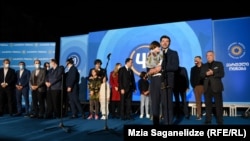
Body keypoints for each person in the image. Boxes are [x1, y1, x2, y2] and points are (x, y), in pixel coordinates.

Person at [147, 35, 179, 125]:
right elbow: (148, 67)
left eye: (167, 41)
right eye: (163, 41)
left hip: (167, 82)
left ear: (169, 43)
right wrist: (150, 71)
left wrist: (161, 68)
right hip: (154, 82)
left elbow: (175, 66)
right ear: (160, 42)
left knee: (167, 105)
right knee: (155, 105)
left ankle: (168, 124)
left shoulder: (173, 53)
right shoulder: (153, 53)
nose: (165, 42)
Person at [200, 51, 225, 125]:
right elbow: (201, 75)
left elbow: (222, 74)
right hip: (207, 88)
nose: (208, 57)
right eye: (207, 55)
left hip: (216, 87)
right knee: (208, 105)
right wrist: (206, 74)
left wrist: (213, 73)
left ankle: (220, 120)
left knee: (218, 105)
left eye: (210, 55)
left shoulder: (219, 64)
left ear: (214, 56)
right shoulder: (204, 65)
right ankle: (208, 120)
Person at [190, 56, 204, 120]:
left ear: (200, 60)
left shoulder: (205, 67)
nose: (196, 61)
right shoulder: (193, 69)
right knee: (198, 101)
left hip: (205, 86)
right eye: (195, 60)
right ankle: (199, 115)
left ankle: (209, 114)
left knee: (208, 101)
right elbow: (191, 78)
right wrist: (194, 86)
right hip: (197, 87)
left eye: (197, 59)